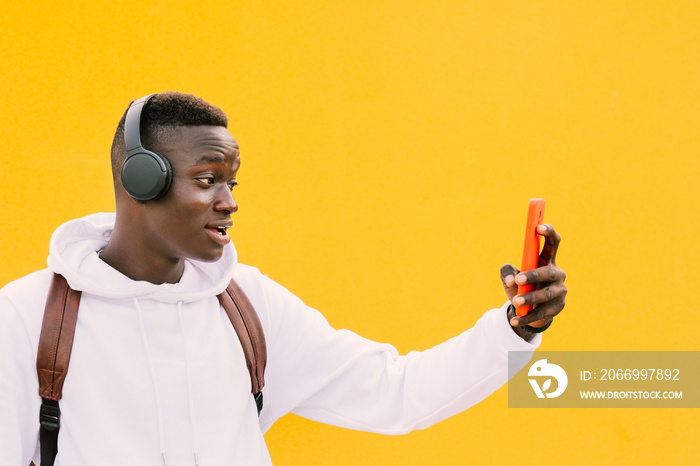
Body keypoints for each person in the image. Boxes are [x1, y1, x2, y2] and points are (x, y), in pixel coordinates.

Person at [0, 92, 567, 465]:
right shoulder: (29, 316)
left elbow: (397, 393)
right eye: (207, 180)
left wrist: (514, 330)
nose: (228, 203)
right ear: (140, 181)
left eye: (232, 183)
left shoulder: (248, 304)